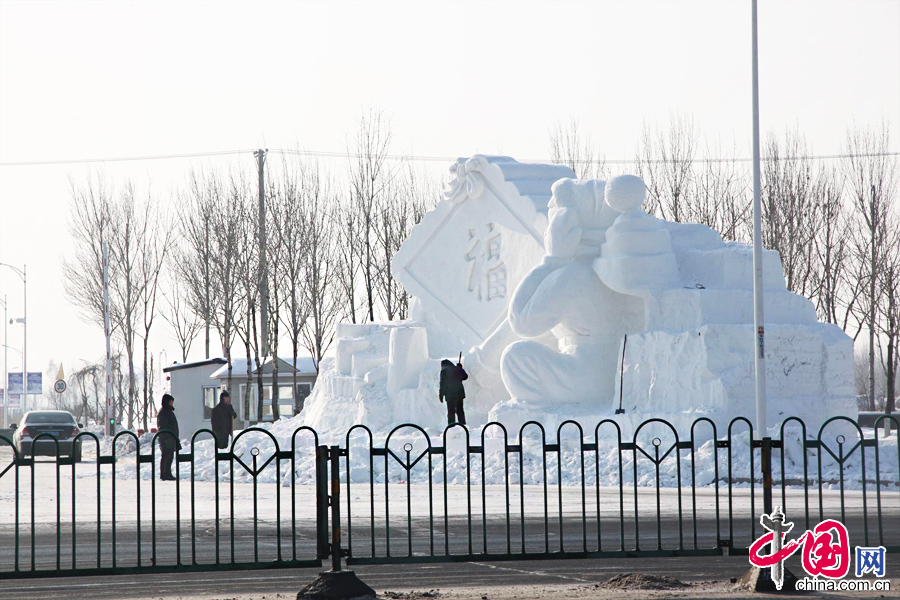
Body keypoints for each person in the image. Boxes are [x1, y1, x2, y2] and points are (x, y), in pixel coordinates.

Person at [156, 393, 180, 481]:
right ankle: (164, 474)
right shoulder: (163, 413)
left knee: (170, 456)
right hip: (166, 438)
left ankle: (168, 473)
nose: (172, 403)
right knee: (166, 456)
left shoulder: (169, 412)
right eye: (170, 402)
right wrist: (166, 437)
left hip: (171, 438)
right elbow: (162, 426)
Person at [439, 358, 468, 426]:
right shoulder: (457, 369)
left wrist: (441, 395)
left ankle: (451, 427)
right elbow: (465, 377)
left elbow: (442, 383)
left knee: (451, 412)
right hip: (459, 393)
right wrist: (460, 368)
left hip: (450, 395)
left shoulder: (444, 371)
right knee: (460, 411)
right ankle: (463, 426)